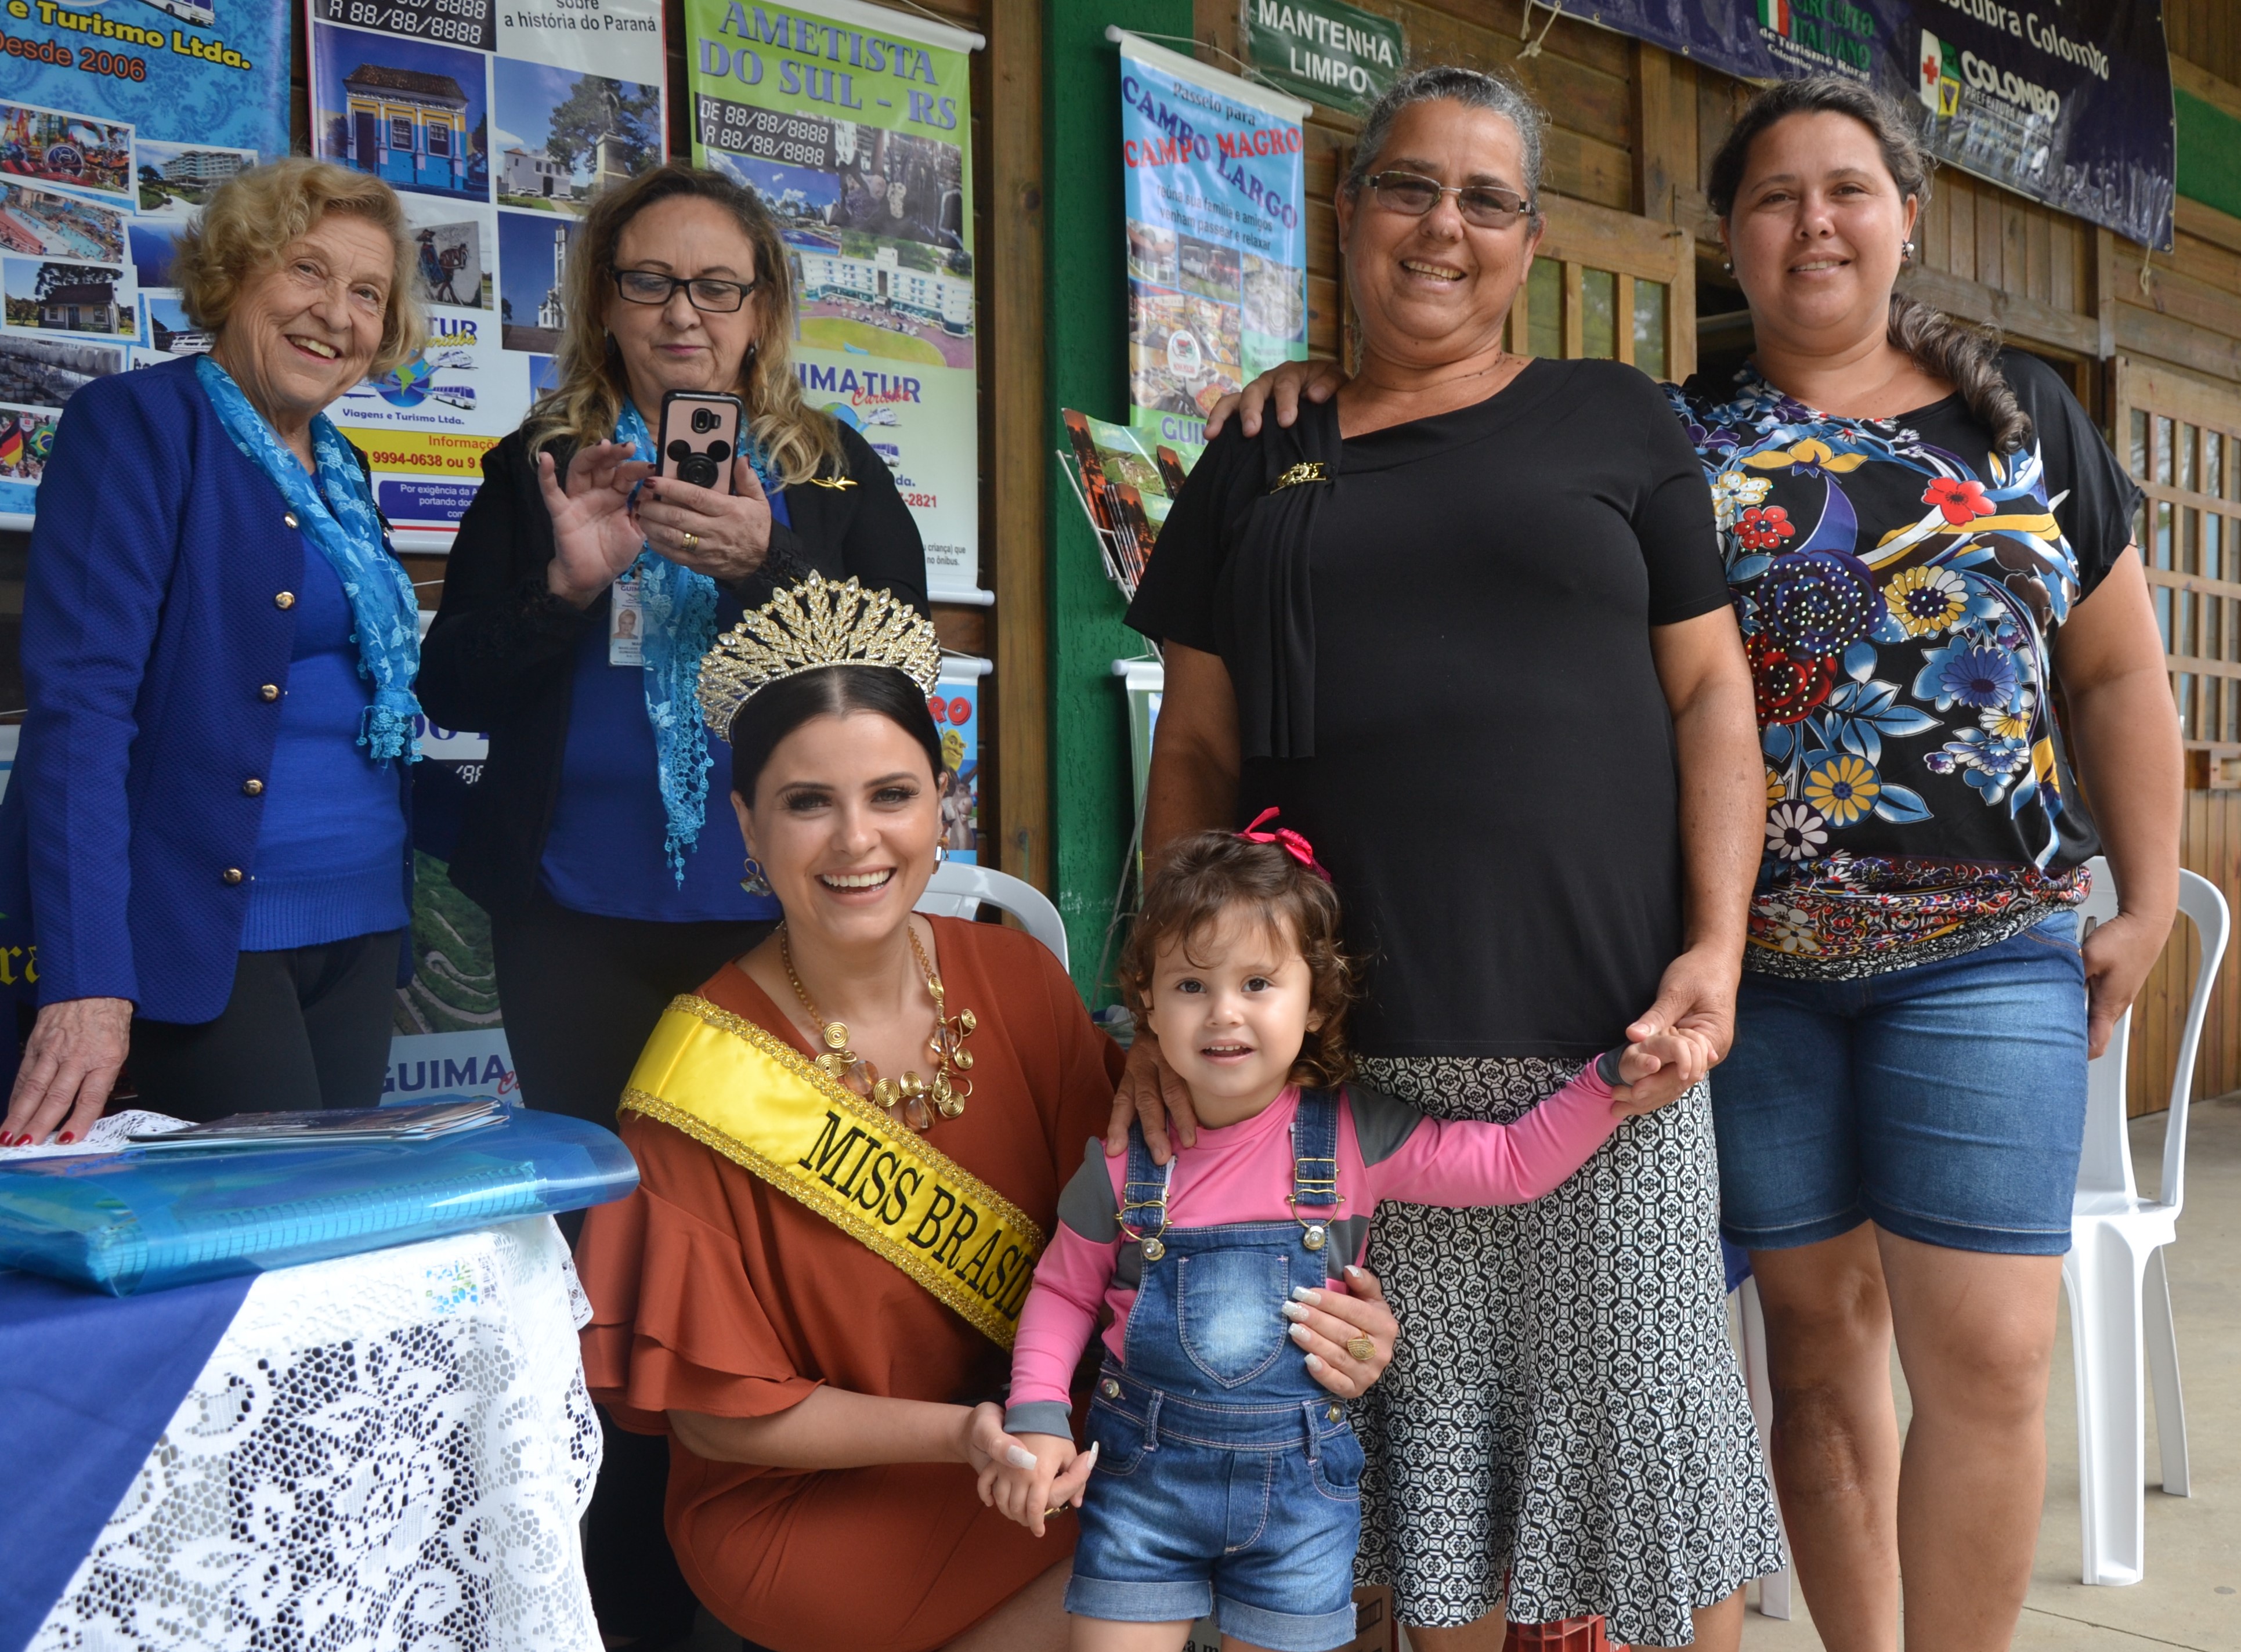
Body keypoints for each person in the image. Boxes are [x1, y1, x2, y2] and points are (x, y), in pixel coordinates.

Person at [1119, 65, 1781, 1652]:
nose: (1442, 227)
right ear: (1346, 215)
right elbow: (1194, 753)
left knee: (1660, 1486)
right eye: (1408, 187)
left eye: (1485, 199)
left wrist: (1713, 948)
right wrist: (1154, 1005)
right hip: (1351, 1072)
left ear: (1528, 239)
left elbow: (1710, 696)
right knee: (1418, 1505)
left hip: (1608, 1053)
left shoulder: (1614, 420)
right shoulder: (1256, 451)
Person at [573, 576, 1401, 1652]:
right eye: (807, 802)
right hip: (823, 1504)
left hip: (1051, 1430)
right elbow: (716, 1419)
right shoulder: (698, 1078)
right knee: (1231, 1514)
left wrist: (1330, 1319)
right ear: (746, 823)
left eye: (891, 795)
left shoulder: (1014, 980)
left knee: (1278, 1475)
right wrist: (971, 1434)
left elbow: (1175, 1218)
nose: (856, 840)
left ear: (942, 801)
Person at [1680, 79, 2177, 1647]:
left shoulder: (2024, 420)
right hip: (1755, 970)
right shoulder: (1670, 438)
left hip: (1988, 953)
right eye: (1772, 196)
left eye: (1844, 189)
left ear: (1905, 214)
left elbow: (2116, 673)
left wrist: (2147, 898)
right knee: (1817, 1353)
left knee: (1989, 1355)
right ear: (1727, 235)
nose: (1811, 223)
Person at [993, 823, 1708, 1652]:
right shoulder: (1123, 1162)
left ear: (1316, 1003)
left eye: (1257, 982)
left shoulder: (1349, 1137)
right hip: (1140, 1494)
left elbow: (1510, 1164)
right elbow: (1064, 1291)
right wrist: (1036, 1415)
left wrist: (1605, 1083)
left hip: (1298, 1508)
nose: (1223, 1012)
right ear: (1148, 1004)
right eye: (1190, 985)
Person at [418, 160, 929, 1136]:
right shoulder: (539, 466)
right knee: (603, 1192)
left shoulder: (833, 470)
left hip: (787, 914)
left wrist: (767, 566)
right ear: (605, 305)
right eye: (648, 282)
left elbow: (901, 675)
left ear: (760, 309)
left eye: (716, 287)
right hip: (569, 917)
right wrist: (565, 589)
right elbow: (451, 690)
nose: (682, 313)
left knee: (762, 1193)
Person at [0, 158, 426, 1145]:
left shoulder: (345, 467)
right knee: (266, 1229)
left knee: (341, 1224)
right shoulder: (138, 426)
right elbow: (80, 713)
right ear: (234, 274)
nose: (336, 313)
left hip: (360, 925)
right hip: (201, 936)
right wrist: (88, 978)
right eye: (306, 270)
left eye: (368, 293)